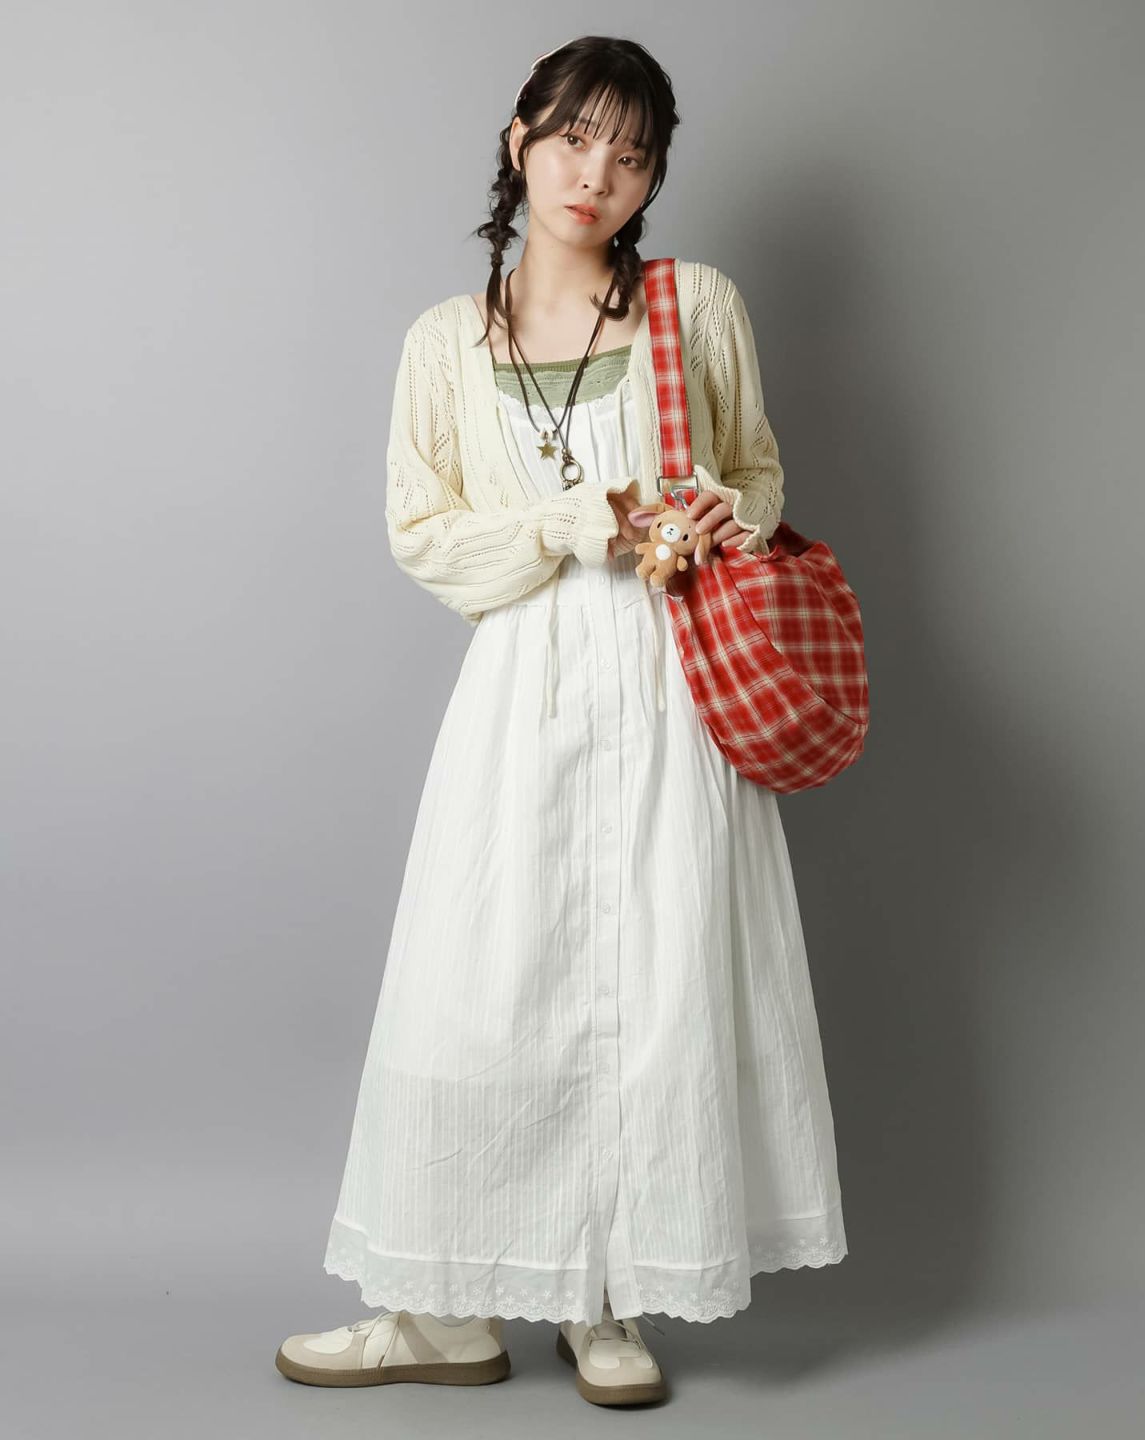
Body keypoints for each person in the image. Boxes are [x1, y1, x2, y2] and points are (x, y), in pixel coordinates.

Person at [275, 34, 847, 1408]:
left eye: (632, 154)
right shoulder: (444, 342)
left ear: (652, 178)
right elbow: (426, 535)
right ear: (520, 140)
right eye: (576, 138)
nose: (599, 174)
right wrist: (569, 523)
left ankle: (609, 1299)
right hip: (519, 689)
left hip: (672, 681)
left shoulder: (692, 308)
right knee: (479, 989)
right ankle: (443, 1309)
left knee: (652, 988)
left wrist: (718, 510)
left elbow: (759, 473)